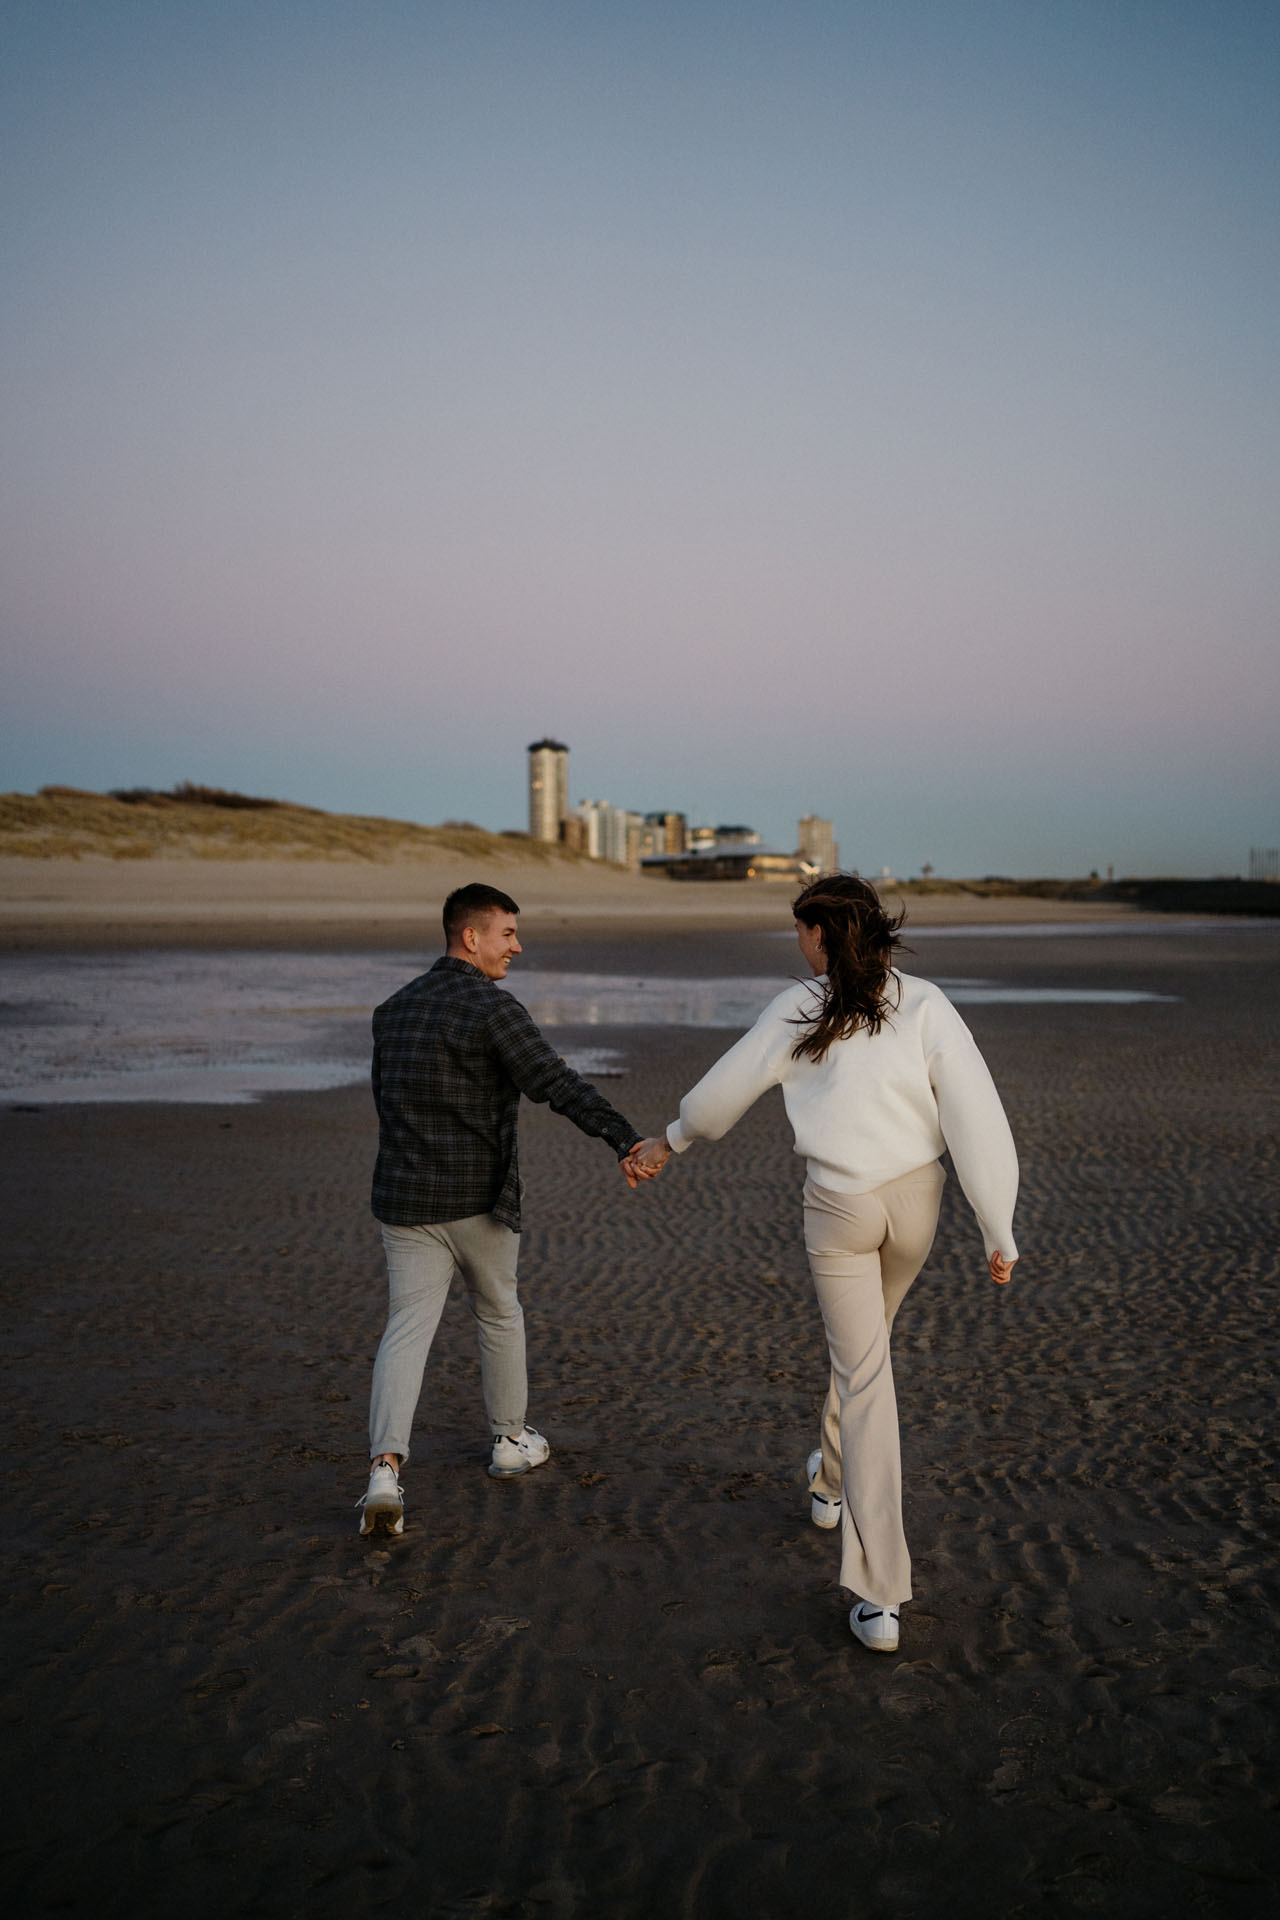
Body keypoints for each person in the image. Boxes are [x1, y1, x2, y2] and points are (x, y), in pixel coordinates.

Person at [626, 874, 1018, 1653]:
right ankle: (830, 1482)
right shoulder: (926, 1001)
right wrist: (995, 1227)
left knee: (866, 1376)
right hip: (917, 1206)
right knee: (865, 1355)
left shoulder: (798, 1006)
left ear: (820, 934)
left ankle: (880, 1597)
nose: (797, 945)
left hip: (839, 1211)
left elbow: (717, 1100)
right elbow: (977, 1112)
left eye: (800, 932)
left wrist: (667, 1142)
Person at [357, 882, 643, 1537]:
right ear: (472, 937)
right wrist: (623, 1137)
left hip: (404, 1201)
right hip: (478, 1203)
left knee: (406, 1329)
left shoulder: (391, 1011)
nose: (517, 945)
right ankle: (509, 1444)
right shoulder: (493, 1009)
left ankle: (384, 1471)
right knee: (499, 1314)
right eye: (508, 933)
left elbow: (386, 1104)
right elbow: (554, 1082)